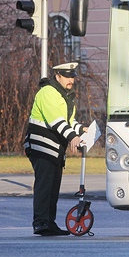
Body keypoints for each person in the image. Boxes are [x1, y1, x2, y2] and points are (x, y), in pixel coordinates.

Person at [24, 62, 88, 236]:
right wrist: (72, 137)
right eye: (67, 76)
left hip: (54, 149)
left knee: (53, 187)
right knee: (45, 186)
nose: (71, 80)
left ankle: (49, 222)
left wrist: (82, 130)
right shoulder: (47, 93)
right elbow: (56, 121)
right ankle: (40, 223)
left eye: (73, 77)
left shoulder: (66, 97)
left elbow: (69, 122)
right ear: (57, 76)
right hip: (41, 145)